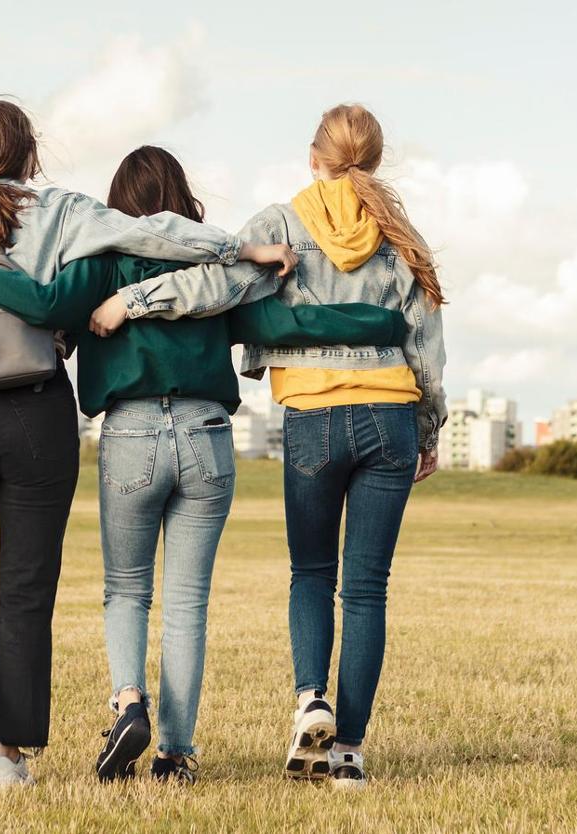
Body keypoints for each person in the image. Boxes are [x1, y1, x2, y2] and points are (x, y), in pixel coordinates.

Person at [0, 145, 408, 784]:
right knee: (188, 603)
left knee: (127, 590)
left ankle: (129, 704)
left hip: (130, 434)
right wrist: (383, 321)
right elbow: (292, 320)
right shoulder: (217, 273)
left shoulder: (99, 264)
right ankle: (176, 754)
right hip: (207, 436)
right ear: (185, 203)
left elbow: (41, 301)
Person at [0, 98, 298, 788]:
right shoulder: (67, 214)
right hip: (41, 413)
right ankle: (9, 757)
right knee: (29, 586)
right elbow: (162, 235)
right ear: (30, 153)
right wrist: (245, 249)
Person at [88, 105, 447, 787]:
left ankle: (310, 697)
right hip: (392, 412)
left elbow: (213, 283)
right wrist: (429, 425)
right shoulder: (401, 232)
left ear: (314, 158)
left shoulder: (281, 224)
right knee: (368, 589)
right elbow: (427, 341)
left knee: (313, 573)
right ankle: (347, 755)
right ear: (372, 161)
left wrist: (131, 303)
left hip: (314, 412)